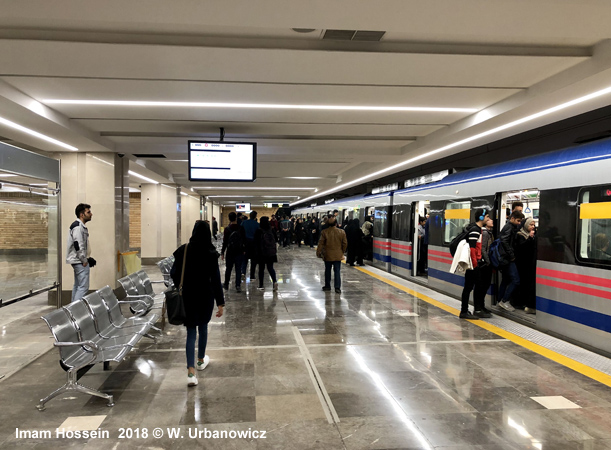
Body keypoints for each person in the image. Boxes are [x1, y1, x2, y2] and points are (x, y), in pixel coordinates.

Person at [171, 221, 224, 387]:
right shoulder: (210, 252)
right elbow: (216, 280)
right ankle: (201, 360)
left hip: (187, 295)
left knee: (191, 331)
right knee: (203, 326)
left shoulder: (184, 250)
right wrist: (220, 303)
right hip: (205, 296)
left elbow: (173, 273)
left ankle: (191, 372)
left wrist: (184, 283)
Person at [458, 208, 491, 320]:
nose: (488, 218)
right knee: (469, 287)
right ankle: (464, 311)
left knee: (474, 286)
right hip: (473, 264)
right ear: (481, 217)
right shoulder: (475, 230)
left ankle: (473, 309)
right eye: (487, 216)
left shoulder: (478, 229)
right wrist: (475, 264)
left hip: (474, 263)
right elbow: (472, 249)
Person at [66, 203, 95, 302]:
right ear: (82, 214)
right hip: (79, 261)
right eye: (88, 212)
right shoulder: (78, 227)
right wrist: (84, 260)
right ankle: (76, 311)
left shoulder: (80, 226)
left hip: (78, 260)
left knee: (78, 285)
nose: (91, 214)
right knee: (83, 287)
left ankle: (72, 309)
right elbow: (78, 244)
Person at [497, 210, 525, 311]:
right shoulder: (509, 227)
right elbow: (504, 241)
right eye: (518, 221)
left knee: (505, 280)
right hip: (507, 258)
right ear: (512, 218)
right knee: (516, 280)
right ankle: (504, 300)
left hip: (505, 258)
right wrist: (512, 255)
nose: (519, 223)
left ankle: (500, 300)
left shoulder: (510, 226)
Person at [316, 217, 347, 293]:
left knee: (327, 270)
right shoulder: (342, 232)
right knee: (337, 271)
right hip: (337, 255)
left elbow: (321, 243)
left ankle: (327, 286)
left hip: (327, 255)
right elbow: (345, 243)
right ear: (336, 224)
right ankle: (337, 287)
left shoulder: (324, 232)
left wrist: (318, 253)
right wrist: (342, 251)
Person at [515, 217, 537, 313]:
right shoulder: (520, 235)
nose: (533, 227)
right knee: (522, 283)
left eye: (533, 225)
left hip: (529, 263)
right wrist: (529, 238)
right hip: (521, 263)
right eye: (530, 225)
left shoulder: (532, 235)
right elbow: (521, 248)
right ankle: (519, 302)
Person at [473, 214, 494, 316]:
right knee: (482, 286)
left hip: (484, 263)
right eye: (489, 219)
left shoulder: (488, 232)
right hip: (484, 264)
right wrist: (488, 261)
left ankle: (481, 306)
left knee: (483, 286)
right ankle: (478, 308)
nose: (491, 221)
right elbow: (483, 248)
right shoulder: (485, 233)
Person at [221, 212, 246, 293]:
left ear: (229, 219)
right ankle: (238, 285)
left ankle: (226, 284)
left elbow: (225, 242)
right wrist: (244, 250)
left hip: (230, 252)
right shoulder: (241, 228)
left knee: (228, 268)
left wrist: (222, 252)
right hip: (239, 251)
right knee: (238, 269)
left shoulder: (227, 229)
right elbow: (244, 240)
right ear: (236, 218)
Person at [254, 217, 279, 291]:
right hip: (270, 252)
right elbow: (276, 240)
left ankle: (261, 285)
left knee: (261, 269)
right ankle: (274, 281)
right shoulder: (272, 230)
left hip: (261, 253)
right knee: (270, 268)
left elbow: (256, 242)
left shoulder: (259, 231)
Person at [241, 211, 259, 281]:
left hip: (245, 243)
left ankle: (243, 273)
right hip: (254, 244)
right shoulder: (257, 224)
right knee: (253, 260)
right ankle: (252, 276)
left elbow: (241, 232)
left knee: (244, 259)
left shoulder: (244, 223)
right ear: (255, 216)